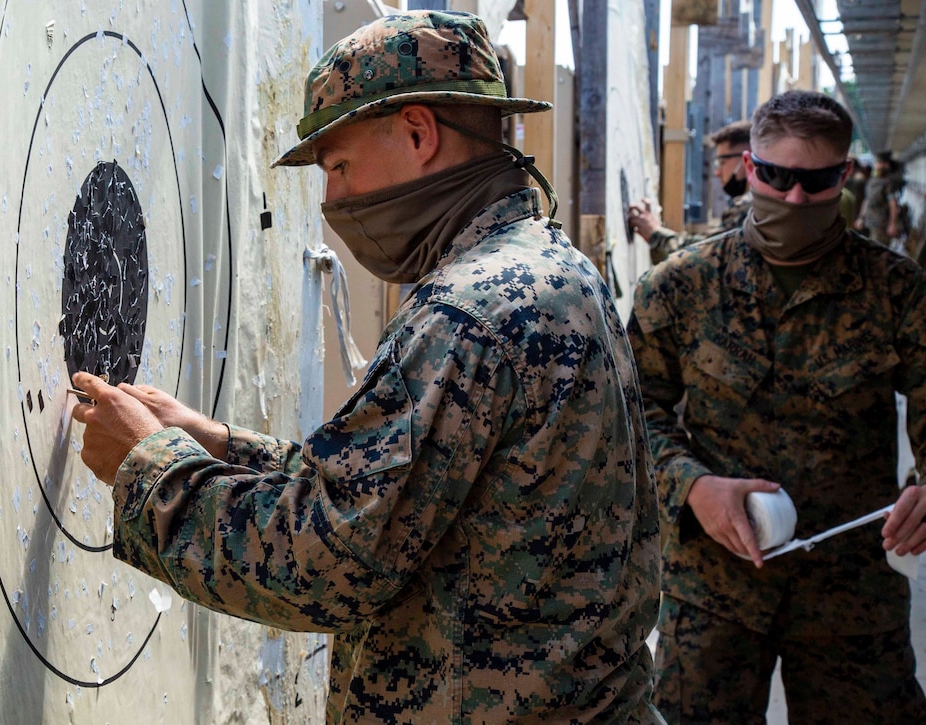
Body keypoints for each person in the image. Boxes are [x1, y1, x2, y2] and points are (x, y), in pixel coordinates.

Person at [70, 10, 663, 723]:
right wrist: (219, 445)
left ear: (418, 132)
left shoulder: (467, 313)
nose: (333, 202)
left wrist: (149, 466)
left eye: (340, 166)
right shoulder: (546, 268)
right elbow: (402, 493)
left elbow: (327, 561)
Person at [628, 89, 926, 723]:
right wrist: (693, 485)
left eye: (815, 181)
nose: (793, 198)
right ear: (751, 167)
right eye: (776, 176)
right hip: (712, 593)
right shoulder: (679, 286)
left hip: (849, 597)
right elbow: (632, 418)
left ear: (844, 174)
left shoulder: (896, 291)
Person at [628, 120, 753, 264]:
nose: (718, 172)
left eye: (722, 162)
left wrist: (655, 233)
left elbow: (700, 256)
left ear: (746, 159)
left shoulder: (748, 207)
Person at [855, 151, 902, 246]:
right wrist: (861, 217)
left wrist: (892, 224)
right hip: (869, 223)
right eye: (876, 163)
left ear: (886, 165)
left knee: (879, 252)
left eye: (879, 163)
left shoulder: (888, 182)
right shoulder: (872, 181)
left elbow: (893, 203)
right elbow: (867, 200)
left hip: (881, 225)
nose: (876, 165)